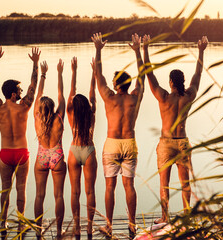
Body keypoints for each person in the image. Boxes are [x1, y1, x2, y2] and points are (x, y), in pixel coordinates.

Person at [143, 35, 208, 224]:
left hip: (166, 144)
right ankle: (187, 215)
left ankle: (165, 217)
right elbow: (198, 75)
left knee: (165, 183)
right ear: (182, 82)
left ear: (171, 81)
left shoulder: (163, 97)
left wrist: (144, 50)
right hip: (183, 142)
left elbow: (149, 74)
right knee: (185, 182)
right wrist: (201, 52)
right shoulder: (189, 95)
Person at [91, 32, 145, 238]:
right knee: (129, 185)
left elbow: (98, 74)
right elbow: (143, 74)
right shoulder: (135, 98)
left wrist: (98, 49)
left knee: (110, 186)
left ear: (115, 84)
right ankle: (132, 225)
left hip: (112, 144)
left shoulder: (109, 98)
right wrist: (138, 51)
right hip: (129, 143)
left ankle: (109, 225)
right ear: (128, 84)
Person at [0, 45, 40, 236]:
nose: (21, 92)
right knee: (21, 189)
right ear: (13, 94)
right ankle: (20, 224)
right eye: (18, 90)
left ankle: (3, 223)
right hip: (21, 153)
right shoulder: (24, 107)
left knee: (5, 190)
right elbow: (33, 85)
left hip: (5, 154)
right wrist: (35, 64)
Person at [34, 59, 67, 239]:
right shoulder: (59, 118)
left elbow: (38, 94)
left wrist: (43, 75)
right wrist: (60, 73)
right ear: (53, 107)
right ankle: (60, 230)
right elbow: (62, 94)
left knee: (39, 196)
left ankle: (38, 230)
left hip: (41, 156)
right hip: (57, 157)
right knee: (59, 196)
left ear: (40, 108)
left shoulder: (36, 118)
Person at [66, 56, 97, 238]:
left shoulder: (71, 113)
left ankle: (77, 226)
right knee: (90, 191)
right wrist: (94, 72)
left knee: (74, 191)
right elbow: (92, 92)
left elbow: (72, 91)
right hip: (89, 151)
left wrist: (74, 71)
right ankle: (90, 227)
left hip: (74, 151)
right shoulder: (91, 113)